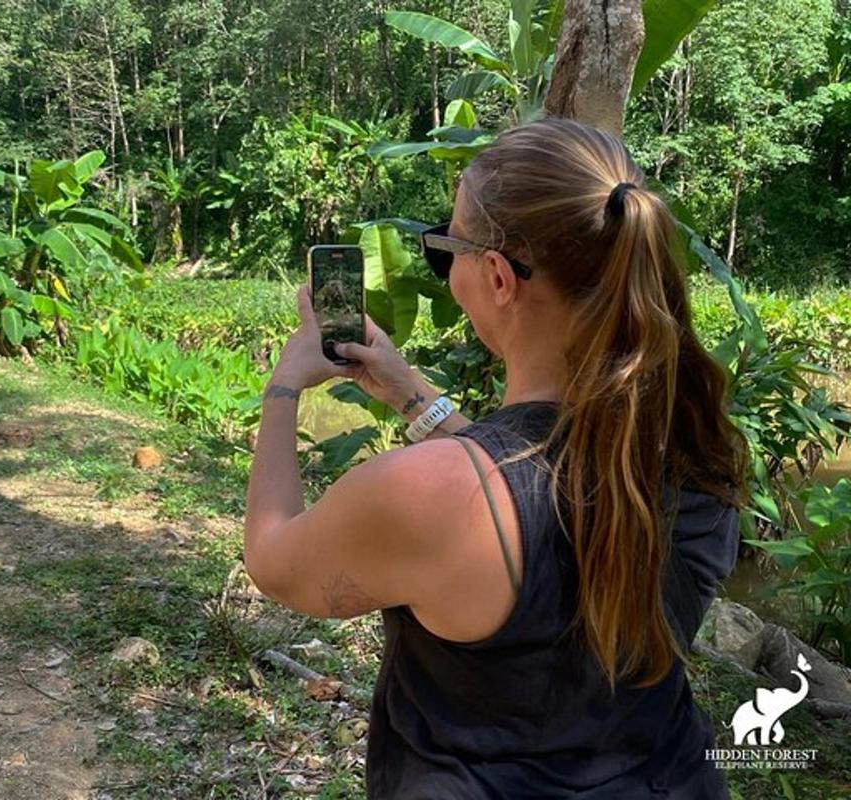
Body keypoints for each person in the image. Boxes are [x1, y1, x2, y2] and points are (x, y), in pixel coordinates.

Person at [243, 117, 750, 799]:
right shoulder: (693, 448)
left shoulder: (425, 495)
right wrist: (408, 391)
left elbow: (274, 561)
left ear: (498, 278)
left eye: (445, 247)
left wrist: (283, 387)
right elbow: (535, 481)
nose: (446, 269)